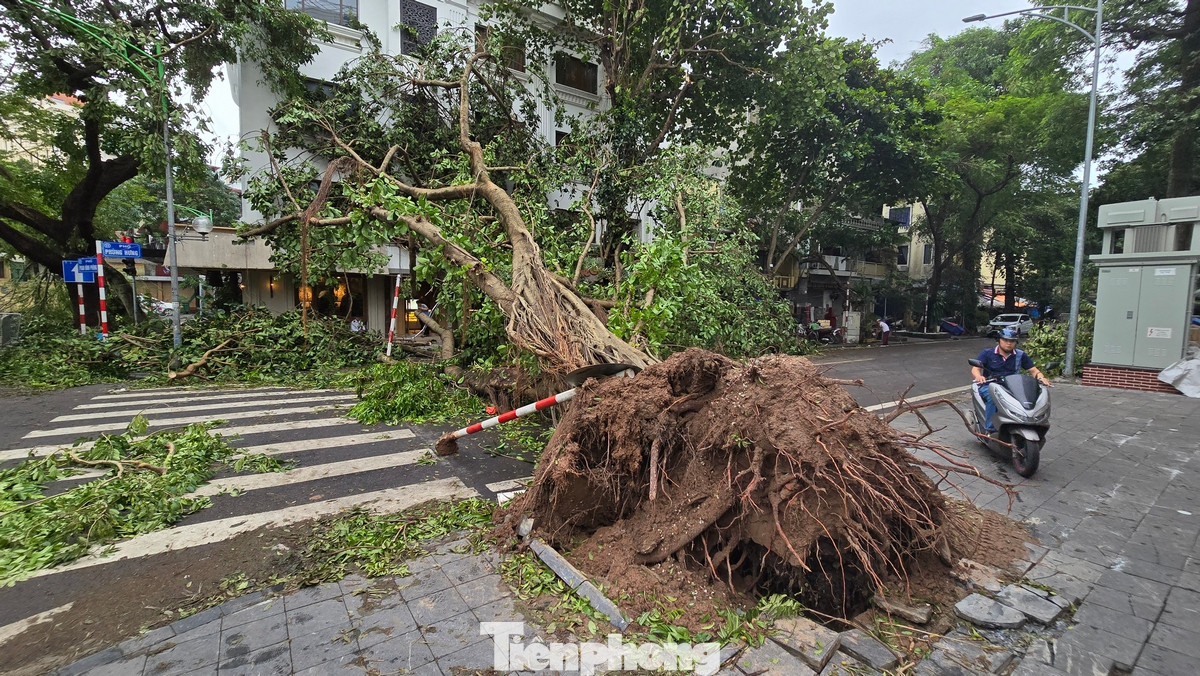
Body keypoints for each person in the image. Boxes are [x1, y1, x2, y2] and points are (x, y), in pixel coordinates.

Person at [971, 327, 1051, 433]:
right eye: (1005, 340)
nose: (1008, 343)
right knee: (993, 398)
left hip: (1012, 386)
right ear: (998, 340)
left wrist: (1041, 377)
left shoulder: (1020, 355)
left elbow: (1033, 370)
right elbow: (975, 368)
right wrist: (979, 376)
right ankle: (989, 430)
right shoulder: (987, 353)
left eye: (1012, 341)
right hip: (990, 385)